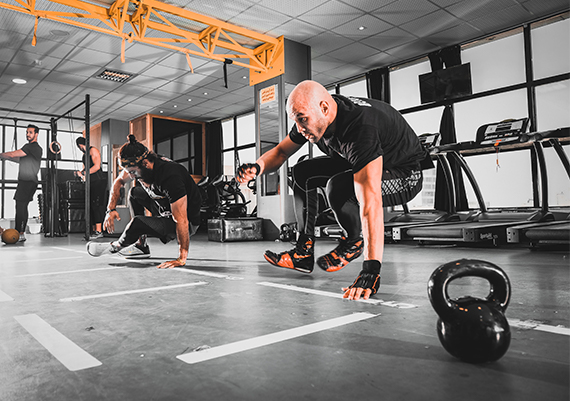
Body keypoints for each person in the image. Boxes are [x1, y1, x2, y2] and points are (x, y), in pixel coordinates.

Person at [236, 80, 426, 301]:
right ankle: (303, 252)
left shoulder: (360, 130)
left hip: (405, 174)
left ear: (324, 108)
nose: (299, 129)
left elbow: (370, 202)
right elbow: (280, 153)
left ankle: (354, 241)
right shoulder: (314, 112)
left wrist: (370, 270)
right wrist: (257, 167)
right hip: (369, 159)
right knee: (302, 173)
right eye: (296, 120)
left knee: (338, 187)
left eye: (302, 120)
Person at [86, 135, 202, 269]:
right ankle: (141, 246)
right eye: (128, 172)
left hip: (186, 223)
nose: (131, 176)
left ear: (146, 164)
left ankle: (116, 246)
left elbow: (182, 220)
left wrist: (182, 258)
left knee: (138, 223)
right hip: (164, 208)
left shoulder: (171, 177)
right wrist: (110, 210)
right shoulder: (140, 164)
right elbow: (118, 182)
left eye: (133, 172)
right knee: (135, 193)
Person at [0, 124, 43, 242]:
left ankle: (20, 233)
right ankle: (20, 232)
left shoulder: (32, 147)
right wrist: (6, 157)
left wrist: (2, 155)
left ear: (36, 134)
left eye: (30, 132)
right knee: (21, 206)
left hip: (28, 182)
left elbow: (13, 154)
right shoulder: (33, 149)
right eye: (27, 132)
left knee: (21, 207)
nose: (28, 134)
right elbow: (18, 158)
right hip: (27, 182)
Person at [75, 137, 107, 239]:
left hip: (99, 181)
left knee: (96, 205)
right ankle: (93, 231)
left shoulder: (93, 150)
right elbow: (86, 168)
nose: (80, 148)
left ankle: (99, 231)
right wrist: (80, 173)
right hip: (91, 182)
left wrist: (84, 172)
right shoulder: (84, 154)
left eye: (80, 146)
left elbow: (97, 166)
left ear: (81, 145)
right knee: (90, 206)